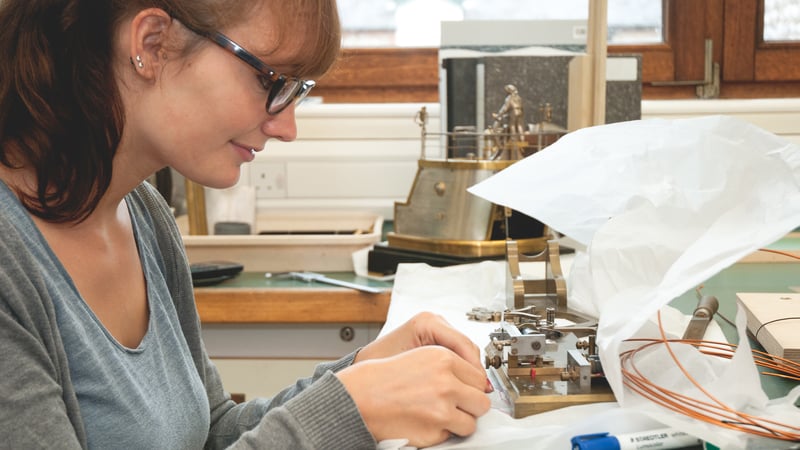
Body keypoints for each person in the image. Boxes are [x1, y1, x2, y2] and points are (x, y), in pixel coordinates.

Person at [0, 1, 491, 448]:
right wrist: (349, 412)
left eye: (298, 91)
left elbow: (210, 433)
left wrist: (364, 373)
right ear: (152, 44)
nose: (287, 127)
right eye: (270, 81)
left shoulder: (144, 216)